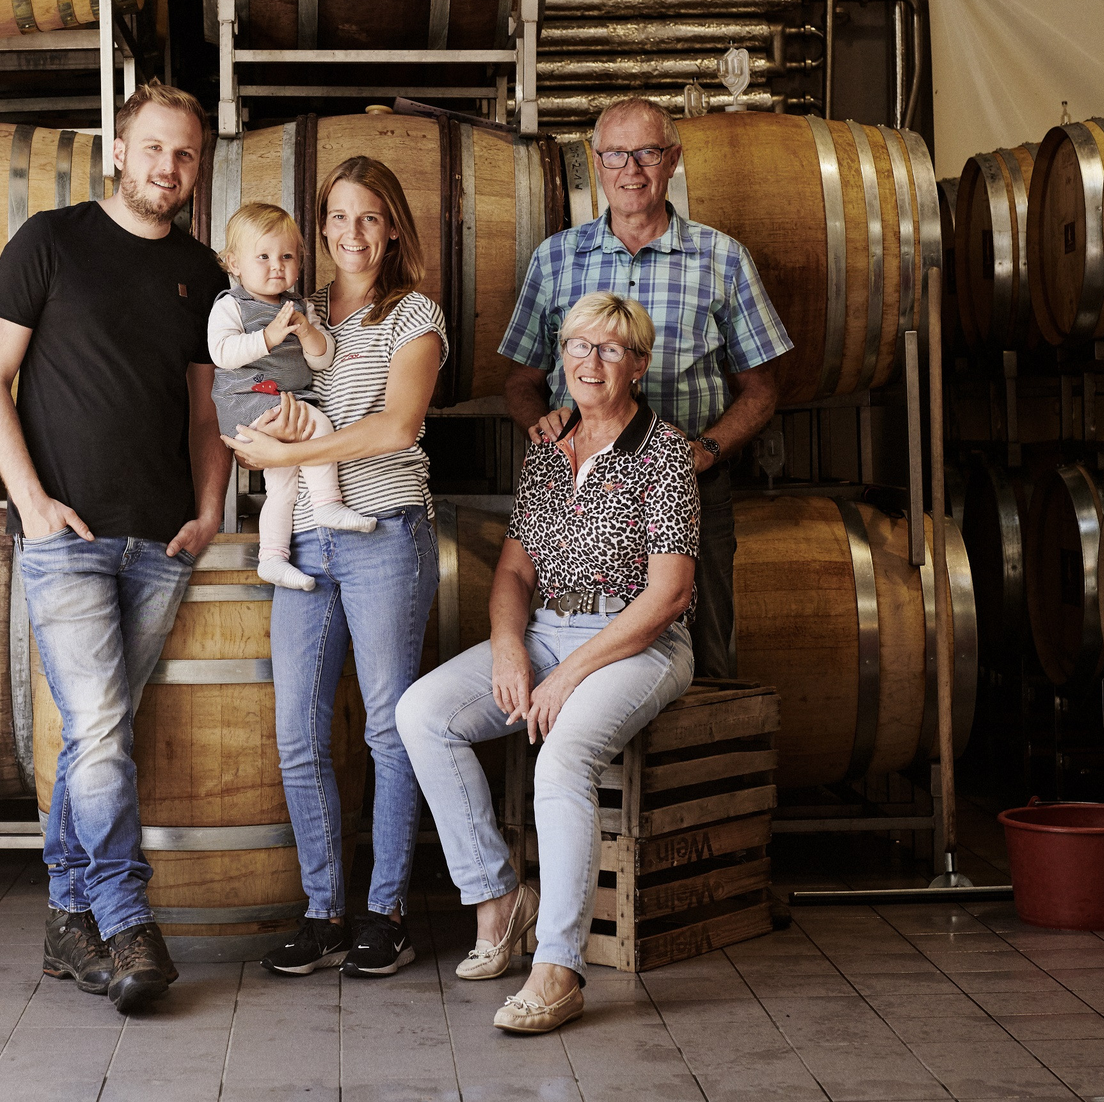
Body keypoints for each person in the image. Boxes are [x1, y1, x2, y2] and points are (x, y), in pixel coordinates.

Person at [0, 80, 230, 1014]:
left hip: (160, 542)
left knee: (98, 737)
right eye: (153, 147)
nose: (168, 167)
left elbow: (207, 411)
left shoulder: (203, 273)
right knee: (102, 732)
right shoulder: (49, 241)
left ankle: (66, 917)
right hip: (65, 540)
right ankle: (125, 921)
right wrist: (33, 504)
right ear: (118, 150)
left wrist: (210, 512)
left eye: (185, 153)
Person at [398, 292, 698, 1034]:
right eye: (577, 346)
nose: (590, 361)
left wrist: (567, 674)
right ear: (561, 356)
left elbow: (667, 596)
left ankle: (558, 969)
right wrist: (510, 647)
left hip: (638, 641)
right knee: (423, 714)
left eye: (610, 349)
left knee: (562, 757)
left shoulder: (665, 452)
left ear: (638, 365)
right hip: (545, 629)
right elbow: (513, 573)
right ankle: (500, 901)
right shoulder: (549, 447)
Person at [222, 156, 446, 979]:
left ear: (393, 230)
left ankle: (387, 913)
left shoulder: (414, 314)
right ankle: (323, 912)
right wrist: (252, 435)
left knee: (387, 729)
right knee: (298, 734)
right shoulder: (295, 307)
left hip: (385, 530)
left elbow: (397, 426)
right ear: (320, 229)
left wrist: (296, 451)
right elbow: (242, 386)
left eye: (370, 217)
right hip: (307, 535)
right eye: (339, 217)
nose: (353, 233)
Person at [499, 98, 791, 684]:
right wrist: (540, 424)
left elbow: (762, 390)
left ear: (673, 160)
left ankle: (692, 746)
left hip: (692, 490)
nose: (630, 169)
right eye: (615, 155)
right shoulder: (555, 259)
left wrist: (705, 451)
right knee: (569, 651)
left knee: (706, 660)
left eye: (647, 153)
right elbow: (521, 381)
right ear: (597, 162)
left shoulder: (722, 259)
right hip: (577, 497)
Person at [207, 202, 378, 592]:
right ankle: (327, 503)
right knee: (317, 423)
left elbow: (322, 359)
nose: (276, 266)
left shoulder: (300, 306)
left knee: (282, 483)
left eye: (287, 256)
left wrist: (306, 332)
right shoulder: (231, 305)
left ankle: (271, 557)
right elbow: (223, 353)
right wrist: (268, 337)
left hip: (282, 400)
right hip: (247, 399)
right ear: (234, 263)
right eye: (263, 257)